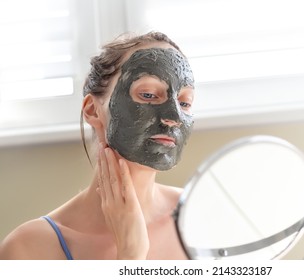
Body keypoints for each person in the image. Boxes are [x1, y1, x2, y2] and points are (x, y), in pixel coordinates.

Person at [0, 31, 195, 260]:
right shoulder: (29, 249)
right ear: (93, 110)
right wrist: (130, 256)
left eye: (184, 102)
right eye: (149, 94)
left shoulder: (201, 215)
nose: (175, 115)